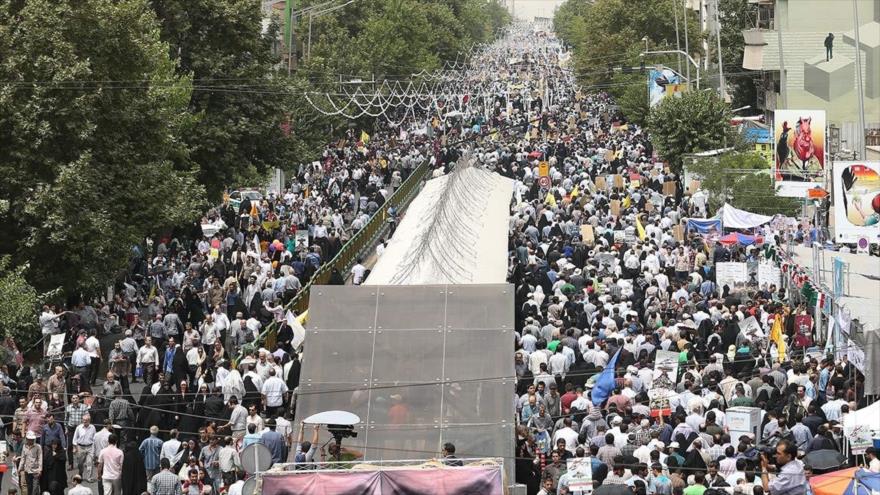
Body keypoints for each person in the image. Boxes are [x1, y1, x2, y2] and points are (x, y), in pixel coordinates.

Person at [72, 413, 96, 482]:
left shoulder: (93, 427)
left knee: (89, 463)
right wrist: (75, 448)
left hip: (90, 447)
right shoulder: (79, 428)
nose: (84, 421)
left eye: (86, 420)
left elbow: (94, 439)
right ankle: (80, 473)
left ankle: (89, 478)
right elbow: (74, 439)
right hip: (80, 447)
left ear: (89, 421)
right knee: (80, 463)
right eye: (83, 420)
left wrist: (94, 449)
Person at [18, 430, 42, 495]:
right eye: (29, 439)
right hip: (27, 470)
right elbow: (23, 458)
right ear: (27, 439)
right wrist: (20, 468)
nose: (31, 441)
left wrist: (40, 469)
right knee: (29, 487)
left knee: (35, 488)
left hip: (35, 470)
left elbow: (40, 458)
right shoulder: (24, 446)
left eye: (32, 439)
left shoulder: (38, 447)